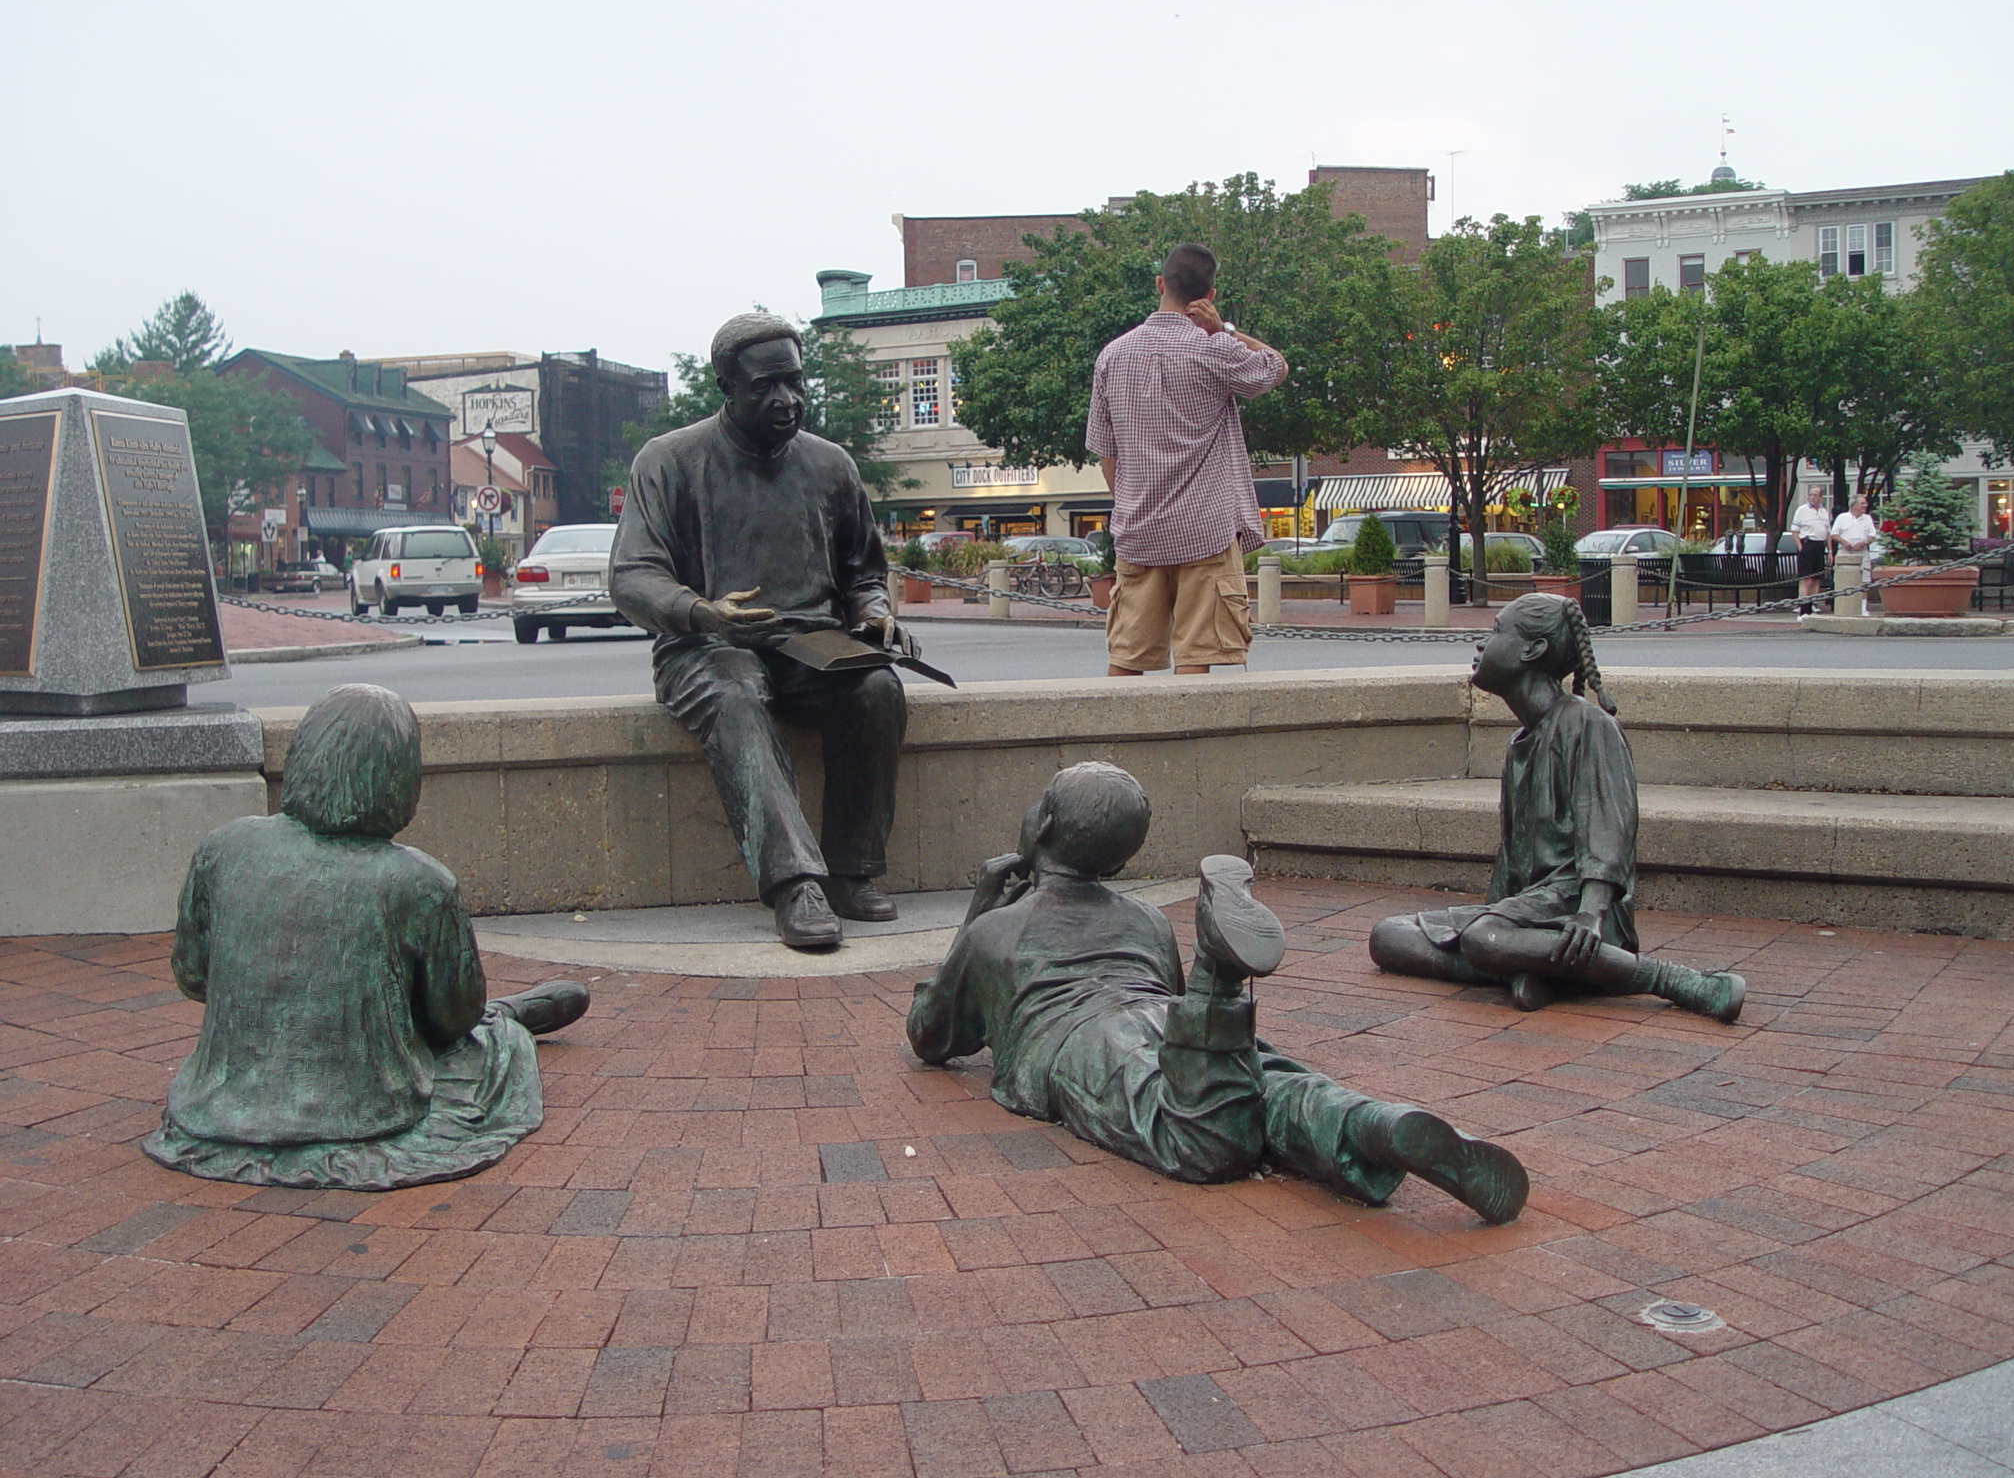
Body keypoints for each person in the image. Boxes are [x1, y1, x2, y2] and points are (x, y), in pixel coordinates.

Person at [906, 763, 1529, 1223]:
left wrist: (973, 919)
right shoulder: (1146, 920)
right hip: (1160, 1010)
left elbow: (931, 1036)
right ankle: (1366, 1120)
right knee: (1262, 1079)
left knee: (1198, 1138)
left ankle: (1220, 974)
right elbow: (1176, 1036)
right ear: (1121, 864)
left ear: (1040, 823)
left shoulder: (996, 930)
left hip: (1080, 1037)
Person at [144, 684, 590, 1190]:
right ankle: (510, 1018)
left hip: (214, 1106)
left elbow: (193, 977)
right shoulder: (421, 881)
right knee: (489, 1043)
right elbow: (453, 1019)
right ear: (400, 779)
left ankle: (510, 1015)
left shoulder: (222, 847)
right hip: (368, 1111)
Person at [610, 313, 913, 951]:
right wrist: (702, 611)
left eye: (796, 384)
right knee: (737, 694)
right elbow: (633, 577)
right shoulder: (668, 461)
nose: (787, 401)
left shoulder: (831, 466)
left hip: (810, 644)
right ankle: (796, 883)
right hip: (706, 646)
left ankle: (852, 871)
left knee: (877, 690)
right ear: (727, 387)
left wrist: (875, 615)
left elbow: (863, 574)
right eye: (766, 387)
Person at [1369, 593, 1745, 1024]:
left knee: (1482, 941)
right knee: (1389, 937)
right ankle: (1536, 970)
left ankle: (1667, 979)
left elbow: (1609, 828)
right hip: (1528, 915)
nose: (1481, 644)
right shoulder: (1519, 744)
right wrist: (1499, 913)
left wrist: (1590, 912)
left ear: (1533, 650)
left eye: (1495, 631)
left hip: (1581, 912)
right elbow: (1514, 856)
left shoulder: (1588, 725)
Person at [1085, 243, 1288, 677]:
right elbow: (1274, 366)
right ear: (1209, 297)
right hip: (1205, 529)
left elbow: (1108, 455)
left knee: (1126, 656)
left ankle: (1118, 741)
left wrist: (1131, 504)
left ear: (1161, 284)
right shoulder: (1214, 349)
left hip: (1139, 528)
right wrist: (1225, 331)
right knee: (1197, 657)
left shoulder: (1112, 356)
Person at [1831, 494, 1878, 616]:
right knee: (1843, 579)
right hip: (1845, 552)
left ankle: (1863, 608)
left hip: (1862, 552)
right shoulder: (1842, 517)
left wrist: (1865, 542)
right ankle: (1843, 605)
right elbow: (1834, 534)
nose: (1865, 506)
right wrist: (1844, 542)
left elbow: (1872, 534)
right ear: (1854, 505)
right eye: (1862, 503)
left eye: (1865, 503)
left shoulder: (1867, 518)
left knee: (1864, 580)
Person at [1791, 484, 1831, 615]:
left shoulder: (1824, 512)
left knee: (1816, 578)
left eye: (1815, 495)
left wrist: (1830, 551)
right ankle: (1803, 608)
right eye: (1811, 494)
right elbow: (1795, 531)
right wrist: (1801, 548)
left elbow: (1828, 533)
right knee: (1806, 578)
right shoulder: (1801, 510)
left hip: (1820, 546)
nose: (1812, 497)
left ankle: (1813, 603)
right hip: (1807, 544)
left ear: (1821, 497)